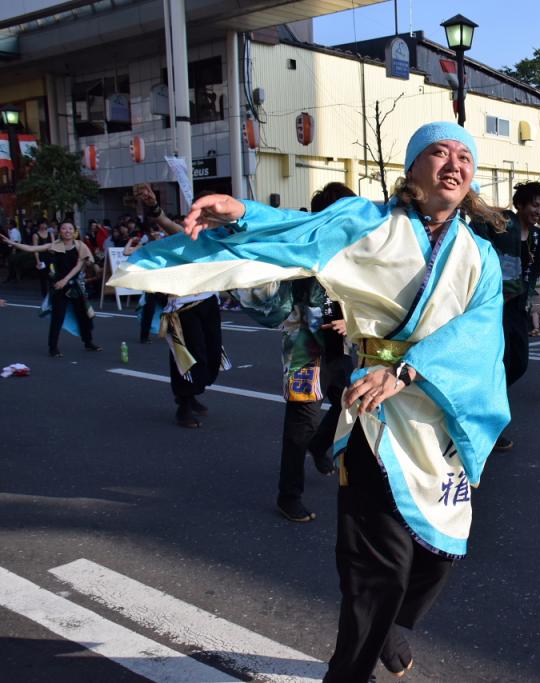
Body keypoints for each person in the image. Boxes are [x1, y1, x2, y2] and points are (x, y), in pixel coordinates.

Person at [110, 121, 510, 682]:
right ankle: (348, 673)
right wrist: (244, 213)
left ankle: (398, 625)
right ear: (413, 168)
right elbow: (299, 231)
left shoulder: (480, 255)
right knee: (379, 569)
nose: (453, 163)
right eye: (438, 152)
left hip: (438, 411)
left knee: (442, 550)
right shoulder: (366, 223)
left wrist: (414, 368)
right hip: (376, 410)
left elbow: (482, 329)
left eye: (464, 156)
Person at [235, 181, 357, 523]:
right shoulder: (304, 242)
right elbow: (291, 295)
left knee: (352, 404)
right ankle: (288, 496)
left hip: (341, 346)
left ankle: (320, 446)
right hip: (306, 347)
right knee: (300, 425)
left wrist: (350, 320)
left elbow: (350, 296)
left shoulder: (354, 248)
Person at [129, 184, 227, 428]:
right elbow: (165, 222)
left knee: (212, 358)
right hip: (183, 306)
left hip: (208, 302)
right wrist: (152, 205)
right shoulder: (188, 232)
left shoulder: (222, 233)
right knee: (189, 357)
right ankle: (183, 405)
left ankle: (190, 395)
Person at [472, 181, 540, 450]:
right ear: (520, 204)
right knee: (499, 362)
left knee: (518, 363)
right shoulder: (502, 223)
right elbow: (477, 233)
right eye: (534, 204)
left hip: (518, 307)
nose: (538, 210)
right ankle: (488, 424)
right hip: (493, 305)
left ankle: (483, 398)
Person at [3, 221, 102, 357]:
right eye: (64, 228)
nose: (67, 231)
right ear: (59, 231)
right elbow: (32, 248)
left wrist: (65, 280)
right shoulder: (53, 246)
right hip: (58, 287)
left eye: (70, 228)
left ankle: (88, 342)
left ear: (74, 231)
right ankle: (53, 348)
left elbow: (78, 266)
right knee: (58, 317)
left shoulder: (80, 246)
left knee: (83, 316)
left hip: (74, 286)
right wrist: (13, 243)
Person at [31, 220, 54, 298]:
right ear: (39, 225)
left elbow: (53, 246)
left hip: (50, 257)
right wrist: (38, 261)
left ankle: (52, 291)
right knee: (43, 277)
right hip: (42, 257)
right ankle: (44, 294)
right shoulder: (36, 235)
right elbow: (35, 249)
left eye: (45, 223)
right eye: (42, 223)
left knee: (52, 274)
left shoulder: (50, 233)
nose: (44, 225)